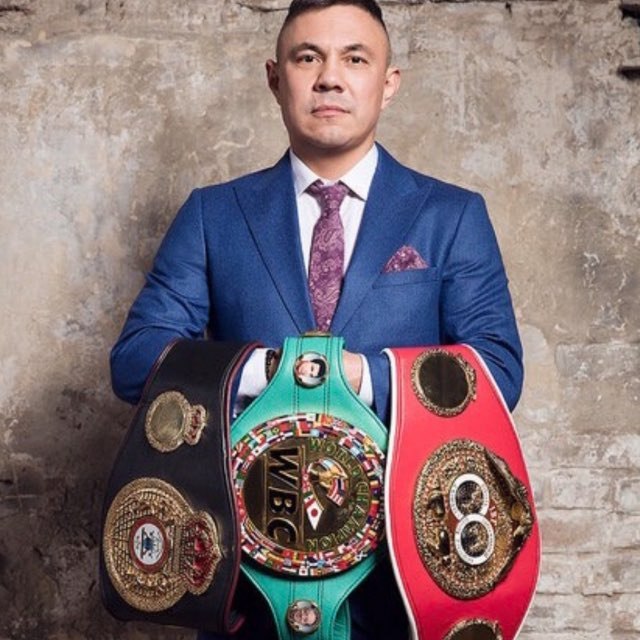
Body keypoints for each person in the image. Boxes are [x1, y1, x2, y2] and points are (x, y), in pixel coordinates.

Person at [110, 0, 523, 637]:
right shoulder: (213, 215)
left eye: (355, 59)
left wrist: (358, 375)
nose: (330, 78)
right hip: (248, 589)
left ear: (388, 83)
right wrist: (274, 372)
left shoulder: (452, 215)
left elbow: (498, 373)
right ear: (275, 78)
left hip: (404, 586)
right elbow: (136, 360)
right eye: (308, 58)